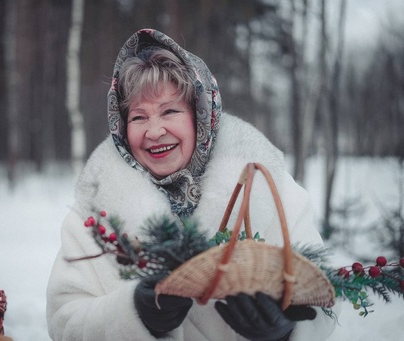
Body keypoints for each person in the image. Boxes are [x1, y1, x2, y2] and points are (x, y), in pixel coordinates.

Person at [46, 28, 339, 341]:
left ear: (200, 116)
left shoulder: (271, 190)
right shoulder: (95, 212)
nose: (154, 131)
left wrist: (287, 332)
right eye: (138, 117)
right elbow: (65, 321)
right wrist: (133, 314)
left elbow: (325, 299)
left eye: (170, 111)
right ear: (122, 127)